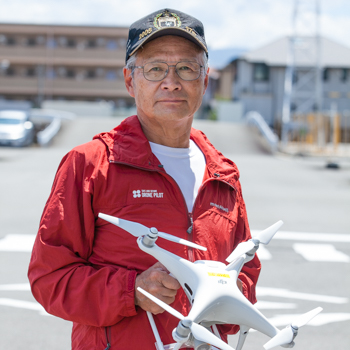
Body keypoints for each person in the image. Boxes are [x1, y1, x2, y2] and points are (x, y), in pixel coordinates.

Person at [28, 8, 261, 350]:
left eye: (186, 67)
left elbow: (247, 268)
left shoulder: (222, 173)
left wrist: (232, 294)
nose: (172, 81)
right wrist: (131, 290)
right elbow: (49, 279)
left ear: (205, 80)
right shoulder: (91, 164)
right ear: (129, 80)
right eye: (155, 69)